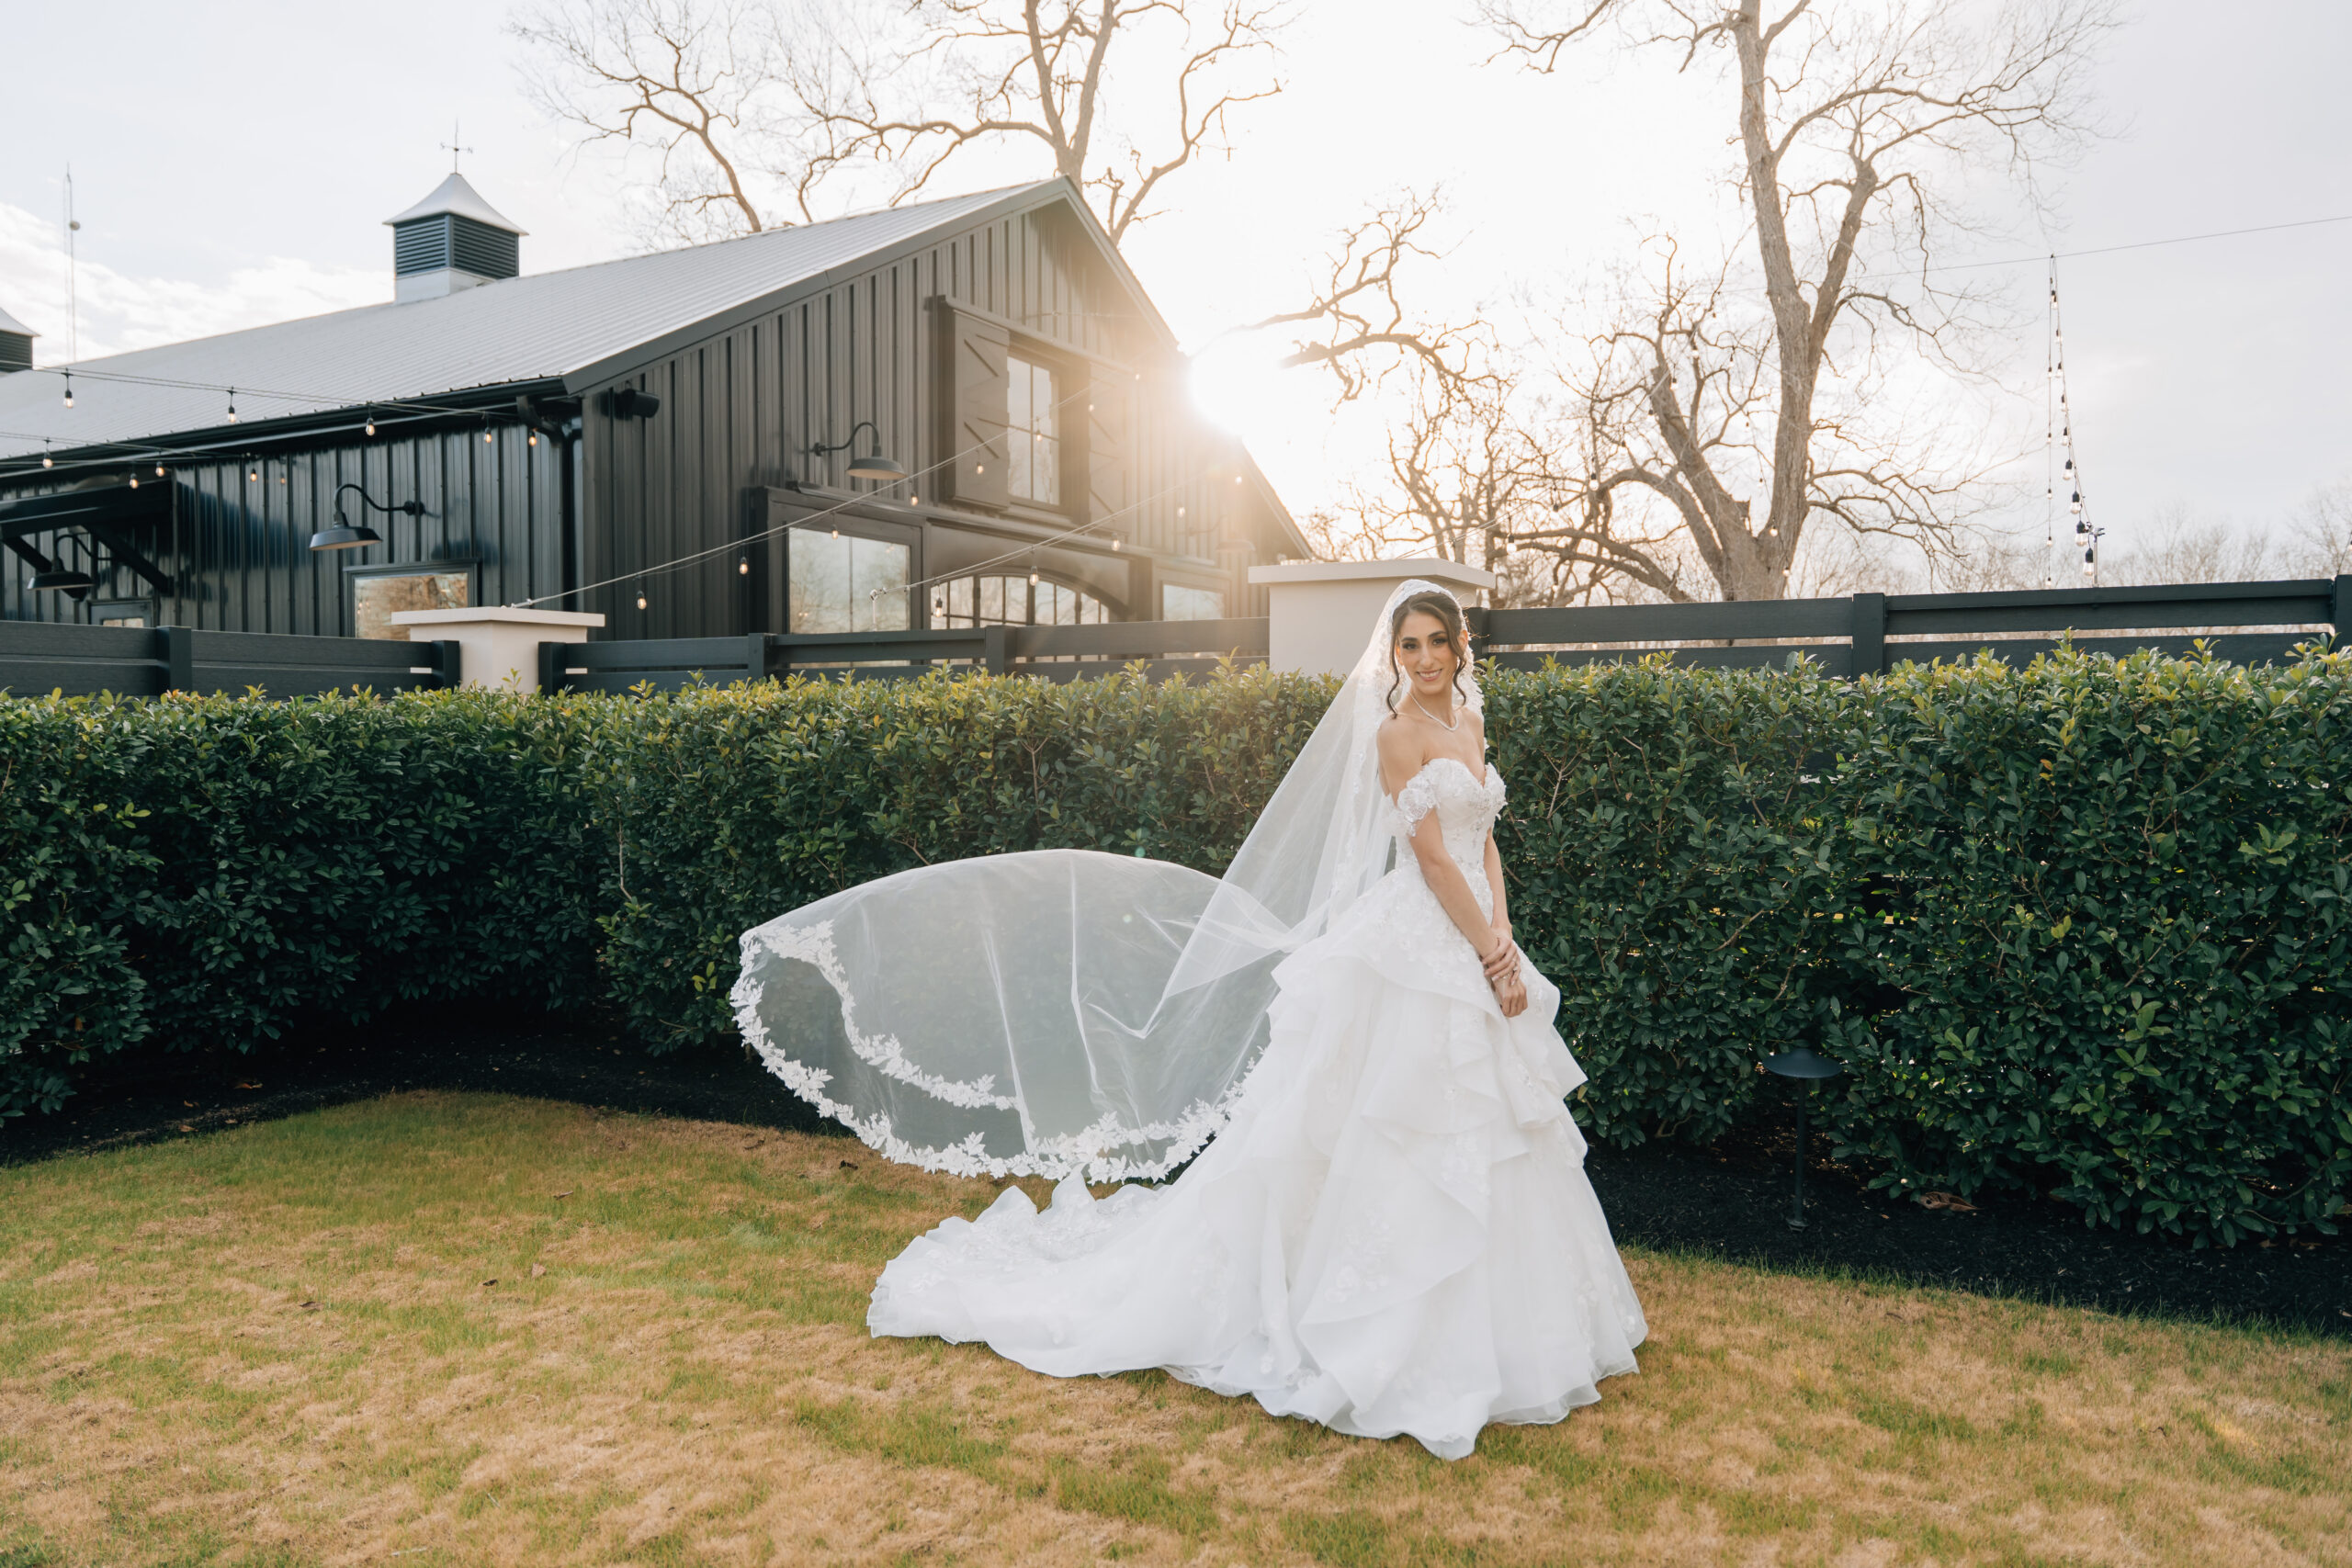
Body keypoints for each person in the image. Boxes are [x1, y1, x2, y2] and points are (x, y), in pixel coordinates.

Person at [733, 581, 1645, 1460]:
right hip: (1417, 942)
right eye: (1407, 646)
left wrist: (1505, 939)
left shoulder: (1471, 724)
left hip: (1475, 938)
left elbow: (1483, 845)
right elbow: (1434, 862)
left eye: (1435, 643)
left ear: (1459, 647)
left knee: (1491, 1128)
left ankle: (1506, 1335)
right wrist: (1486, 952)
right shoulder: (1396, 735)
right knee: (1389, 1121)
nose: (1422, 660)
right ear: (1394, 656)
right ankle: (1369, 1328)